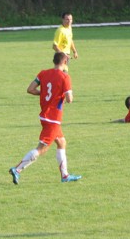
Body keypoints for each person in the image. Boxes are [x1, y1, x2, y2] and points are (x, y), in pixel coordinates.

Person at [9, 52, 81, 184]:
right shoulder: (65, 77)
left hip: (45, 116)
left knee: (61, 142)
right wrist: (62, 96)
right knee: (42, 148)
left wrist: (44, 94)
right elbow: (69, 99)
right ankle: (17, 169)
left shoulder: (43, 73)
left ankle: (65, 175)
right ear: (64, 62)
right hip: (53, 118)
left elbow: (30, 89)